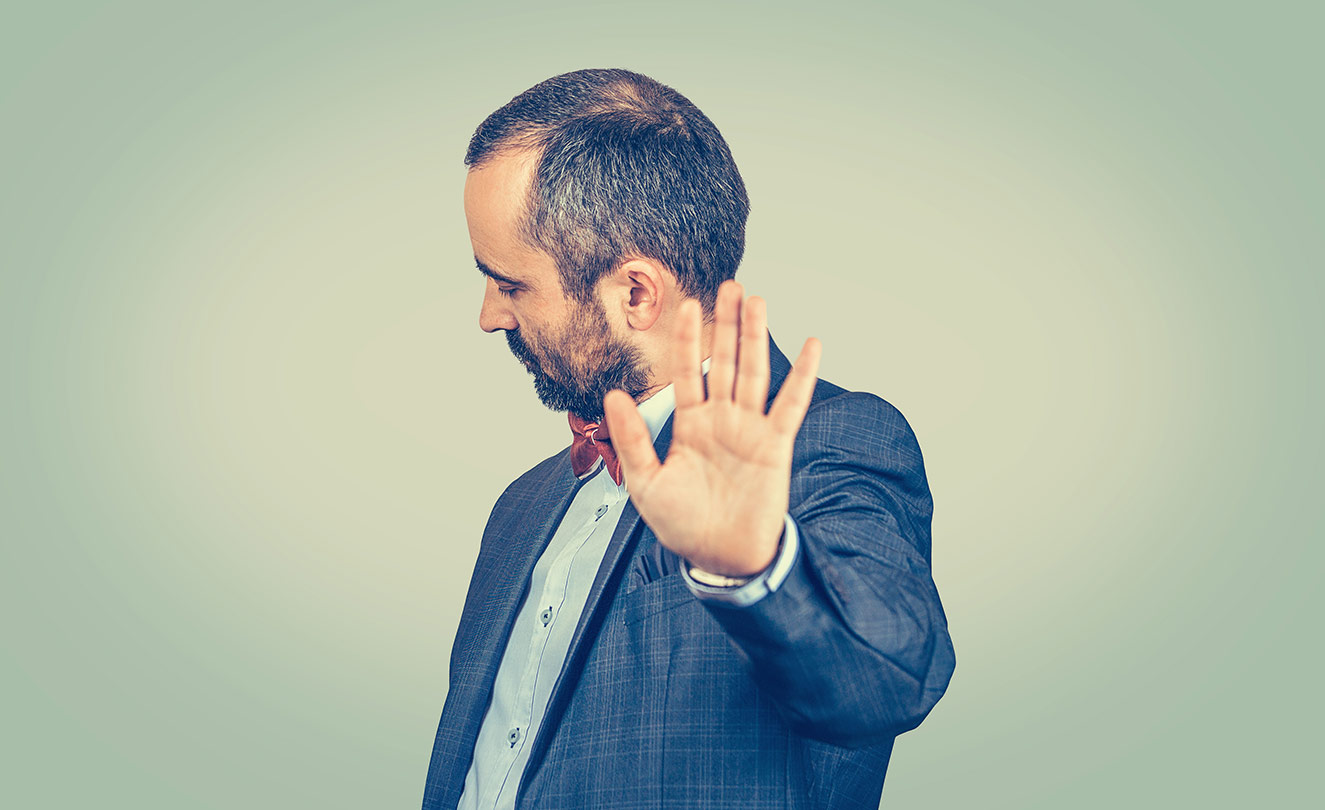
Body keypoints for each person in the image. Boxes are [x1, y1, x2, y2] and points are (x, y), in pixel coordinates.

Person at [421, 68, 955, 810]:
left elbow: (886, 683)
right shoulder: (524, 505)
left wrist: (753, 569)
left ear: (635, 293)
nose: (489, 316)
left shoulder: (832, 441)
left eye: (510, 284)